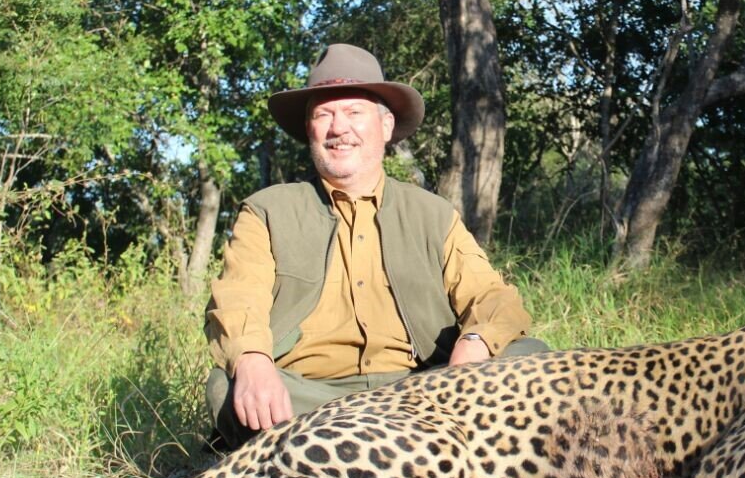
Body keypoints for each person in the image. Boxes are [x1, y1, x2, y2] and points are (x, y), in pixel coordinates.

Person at [204, 43, 543, 449]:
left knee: (530, 356)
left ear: (385, 127)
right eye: (323, 114)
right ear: (309, 130)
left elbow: (493, 296)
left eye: (353, 112)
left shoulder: (433, 214)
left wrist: (473, 346)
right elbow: (238, 299)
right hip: (313, 399)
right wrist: (253, 361)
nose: (338, 128)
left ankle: (361, 452)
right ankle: (417, 451)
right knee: (226, 385)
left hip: (426, 391)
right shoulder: (267, 211)